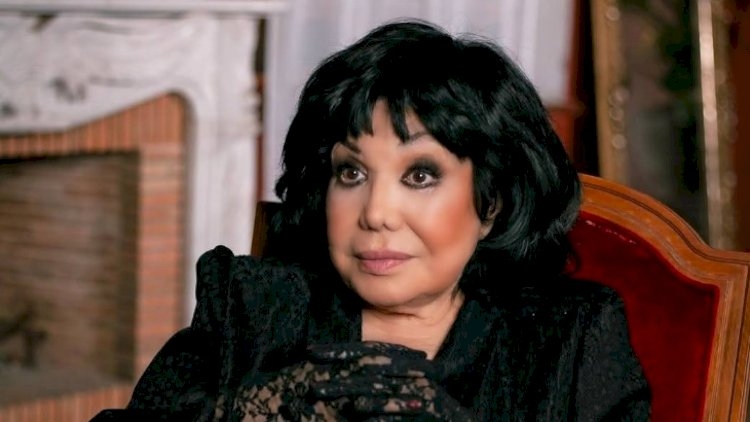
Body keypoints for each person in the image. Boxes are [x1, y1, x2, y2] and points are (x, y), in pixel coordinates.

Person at [92, 19, 650, 421]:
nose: (376, 214)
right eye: (352, 173)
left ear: (492, 203)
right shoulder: (250, 305)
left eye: (420, 175)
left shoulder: (569, 340)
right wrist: (251, 409)